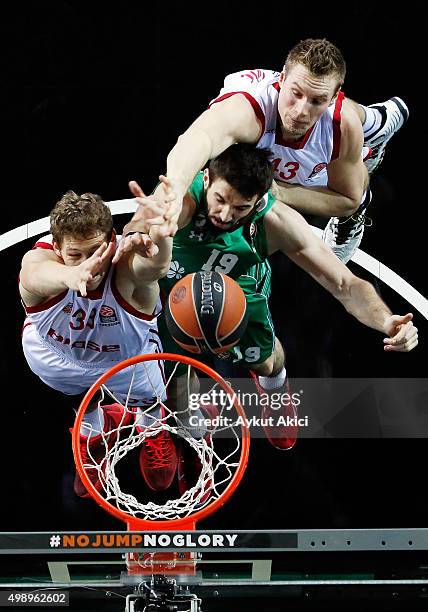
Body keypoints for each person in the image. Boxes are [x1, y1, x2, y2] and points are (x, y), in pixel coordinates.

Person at [119, 144, 418, 458]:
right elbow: (136, 227)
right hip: (174, 294)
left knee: (266, 360)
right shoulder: (180, 201)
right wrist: (137, 235)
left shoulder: (275, 221)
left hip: (238, 289)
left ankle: (274, 391)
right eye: (220, 200)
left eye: (240, 208)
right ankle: (189, 430)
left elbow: (345, 283)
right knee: (176, 388)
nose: (224, 214)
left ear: (258, 200)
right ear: (206, 180)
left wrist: (386, 320)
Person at [160, 38, 408, 263]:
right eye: (296, 94)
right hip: (267, 151)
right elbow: (195, 140)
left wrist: (278, 193)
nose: (301, 111)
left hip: (314, 164)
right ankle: (375, 126)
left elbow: (347, 200)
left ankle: (377, 122)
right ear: (281, 79)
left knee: (355, 184)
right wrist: (174, 192)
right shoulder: (247, 110)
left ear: (333, 97)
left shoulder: (341, 124)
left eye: (317, 100)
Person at [19, 182, 178, 496]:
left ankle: (152, 430)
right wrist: (71, 276)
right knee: (81, 395)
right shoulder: (42, 264)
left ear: (112, 241)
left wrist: (162, 237)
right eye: (74, 254)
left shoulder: (127, 269)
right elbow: (32, 277)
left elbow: (154, 267)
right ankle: (91, 432)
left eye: (95, 252)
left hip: (127, 360)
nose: (87, 263)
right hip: (56, 354)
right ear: (56, 246)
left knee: (150, 403)